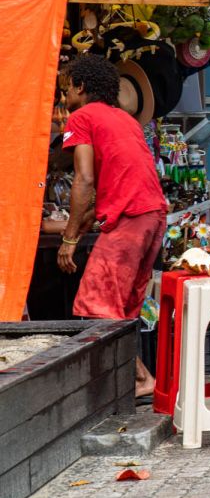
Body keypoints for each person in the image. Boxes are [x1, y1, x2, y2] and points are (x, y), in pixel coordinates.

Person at [57, 54, 166, 399]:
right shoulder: (124, 119)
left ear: (80, 87)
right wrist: (84, 221)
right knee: (122, 308)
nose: (63, 98)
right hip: (152, 215)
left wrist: (70, 239)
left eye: (65, 90)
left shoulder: (82, 116)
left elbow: (85, 180)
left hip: (131, 218)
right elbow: (110, 184)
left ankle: (136, 380)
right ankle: (133, 379)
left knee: (96, 305)